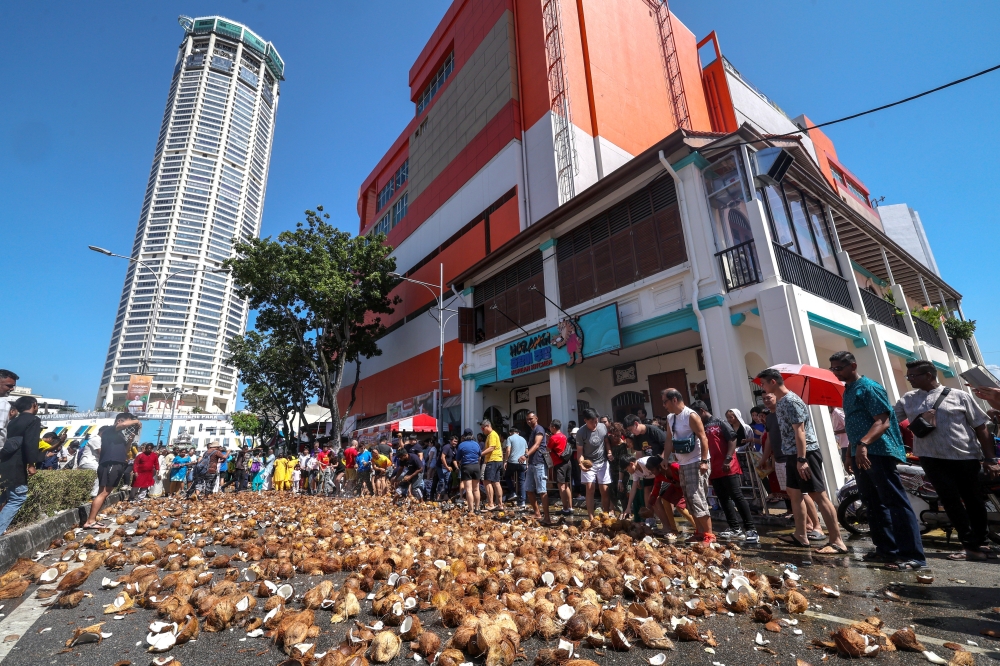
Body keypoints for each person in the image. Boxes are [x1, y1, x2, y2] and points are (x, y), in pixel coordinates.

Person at [895, 360, 1000, 561]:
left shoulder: (959, 396)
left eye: (913, 376)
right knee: (951, 502)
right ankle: (969, 546)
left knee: (974, 501)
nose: (909, 379)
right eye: (908, 376)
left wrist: (990, 458)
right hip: (932, 460)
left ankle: (982, 542)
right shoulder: (908, 399)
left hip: (965, 457)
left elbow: (981, 427)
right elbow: (888, 419)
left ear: (928, 375)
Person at [829, 351, 925, 569]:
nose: (835, 372)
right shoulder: (848, 390)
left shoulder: (869, 387)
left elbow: (882, 421)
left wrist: (863, 445)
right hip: (860, 452)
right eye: (832, 369)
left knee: (895, 502)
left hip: (878, 452)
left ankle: (913, 556)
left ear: (852, 366)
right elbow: (855, 425)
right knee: (872, 502)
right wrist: (849, 453)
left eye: (839, 368)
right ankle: (887, 550)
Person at [756, 368, 847, 556]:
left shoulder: (791, 401)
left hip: (805, 454)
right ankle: (800, 534)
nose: (763, 389)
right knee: (794, 493)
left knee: (818, 495)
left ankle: (837, 541)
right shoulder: (780, 403)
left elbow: (800, 432)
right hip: (790, 454)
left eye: (763, 384)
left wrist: (801, 458)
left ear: (773, 382)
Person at [694, 401, 758, 543]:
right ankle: (734, 528)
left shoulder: (720, 422)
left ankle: (750, 529)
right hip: (714, 467)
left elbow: (732, 438)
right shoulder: (701, 427)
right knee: (723, 499)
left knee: (737, 496)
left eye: (696, 415)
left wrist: (728, 458)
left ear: (702, 411)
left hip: (728, 465)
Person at [660, 388, 715, 544]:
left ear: (674, 400)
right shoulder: (671, 418)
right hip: (683, 462)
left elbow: (703, 438)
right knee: (689, 499)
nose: (664, 405)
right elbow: (669, 439)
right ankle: (699, 532)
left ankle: (709, 535)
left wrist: (704, 461)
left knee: (697, 498)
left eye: (665, 401)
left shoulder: (691, 415)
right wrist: (665, 457)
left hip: (696, 461)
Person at [83, 412, 141, 529]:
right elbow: (123, 425)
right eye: (128, 422)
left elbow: (125, 451)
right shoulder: (110, 430)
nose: (129, 425)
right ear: (119, 421)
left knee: (105, 492)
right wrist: (136, 421)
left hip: (116, 464)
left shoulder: (119, 435)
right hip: (110, 463)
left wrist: (130, 441)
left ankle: (92, 519)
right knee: (103, 493)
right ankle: (90, 521)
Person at [0, 396, 43, 535]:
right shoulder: (33, 420)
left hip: (6, 461)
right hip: (18, 463)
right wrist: (31, 464)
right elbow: (31, 443)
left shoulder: (13, 421)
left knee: (6, 495)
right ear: (34, 405)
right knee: (18, 497)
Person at [624, 414, 668, 521]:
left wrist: (662, 459)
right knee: (647, 491)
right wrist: (639, 474)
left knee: (662, 495)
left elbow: (667, 445)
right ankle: (650, 518)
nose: (631, 432)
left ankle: (667, 520)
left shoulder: (653, 431)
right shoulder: (637, 438)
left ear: (636, 424)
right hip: (648, 466)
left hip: (662, 464)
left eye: (631, 429)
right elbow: (639, 455)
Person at [576, 409, 612, 520]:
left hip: (602, 461)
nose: (595, 424)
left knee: (604, 489)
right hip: (589, 463)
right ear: (585, 420)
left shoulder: (602, 427)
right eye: (592, 422)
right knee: (590, 489)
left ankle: (605, 516)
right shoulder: (581, 432)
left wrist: (609, 452)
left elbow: (606, 442)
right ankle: (591, 517)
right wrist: (581, 464)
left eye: (596, 421)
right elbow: (580, 452)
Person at [522, 411, 550, 523]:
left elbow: (537, 444)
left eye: (531, 419)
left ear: (536, 418)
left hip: (539, 463)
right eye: (527, 419)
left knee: (542, 491)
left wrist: (526, 455)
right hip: (532, 463)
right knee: (528, 489)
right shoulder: (533, 430)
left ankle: (547, 518)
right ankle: (537, 513)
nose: (529, 421)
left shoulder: (539, 429)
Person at [548, 421, 572, 517]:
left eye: (550, 426)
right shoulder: (564, 436)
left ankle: (565, 509)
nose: (549, 428)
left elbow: (548, 449)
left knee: (561, 486)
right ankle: (570, 507)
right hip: (567, 462)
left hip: (559, 463)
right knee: (566, 486)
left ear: (553, 427)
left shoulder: (553, 438)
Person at [456, 429, 483, 513]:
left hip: (466, 466)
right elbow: (480, 455)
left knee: (468, 489)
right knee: (476, 489)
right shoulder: (476, 444)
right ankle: (477, 508)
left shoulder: (461, 445)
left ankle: (471, 509)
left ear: (464, 435)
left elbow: (458, 458)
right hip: (476, 466)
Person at [480, 420, 504, 510]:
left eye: (483, 428)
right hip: (498, 460)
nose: (482, 430)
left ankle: (491, 504)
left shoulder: (492, 435)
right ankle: (500, 504)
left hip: (493, 460)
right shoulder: (492, 435)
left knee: (487, 481)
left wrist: (480, 454)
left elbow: (491, 448)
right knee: (496, 482)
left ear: (487, 426)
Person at [502, 427, 527, 509]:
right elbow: (527, 452)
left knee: (507, 476)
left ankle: (513, 492)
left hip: (512, 461)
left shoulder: (510, 438)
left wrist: (505, 460)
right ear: (518, 432)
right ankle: (522, 501)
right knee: (521, 481)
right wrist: (527, 463)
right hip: (522, 462)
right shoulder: (523, 439)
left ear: (510, 432)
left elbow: (508, 450)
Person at [830, 406, 852, 475]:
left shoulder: (838, 413)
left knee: (848, 464)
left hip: (847, 444)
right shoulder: (833, 414)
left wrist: (836, 432)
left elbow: (849, 427)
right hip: (842, 444)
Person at [438, 435, 458, 502]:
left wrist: (457, 468)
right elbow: (442, 457)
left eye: (456, 442)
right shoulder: (446, 447)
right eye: (454, 441)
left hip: (448, 467)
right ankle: (439, 496)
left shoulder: (454, 449)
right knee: (442, 481)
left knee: (448, 482)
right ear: (451, 441)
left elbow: (454, 459)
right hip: (441, 467)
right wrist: (447, 467)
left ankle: (446, 495)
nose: (455, 443)